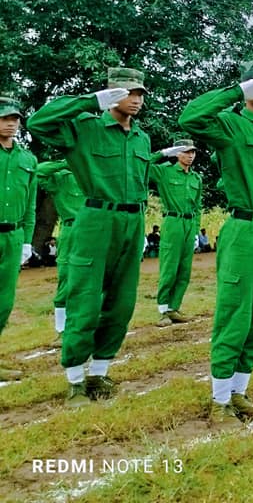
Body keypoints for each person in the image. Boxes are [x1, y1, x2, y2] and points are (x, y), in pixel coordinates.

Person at [178, 58, 253, 425]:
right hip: (246, 230)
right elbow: (189, 118)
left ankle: (239, 393)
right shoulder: (230, 125)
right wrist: (236, 92)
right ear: (249, 89)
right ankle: (219, 401)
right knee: (236, 315)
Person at [28, 67, 152, 405]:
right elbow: (37, 122)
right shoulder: (84, 127)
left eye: (140, 94)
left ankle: (99, 373)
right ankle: (75, 381)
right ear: (112, 95)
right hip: (96, 218)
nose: (137, 100)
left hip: (132, 220)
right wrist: (88, 101)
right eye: (129, 93)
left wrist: (139, 226)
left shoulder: (141, 138)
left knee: (121, 303)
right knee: (85, 298)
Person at [0, 95, 37, 381]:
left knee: (5, 301)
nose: (11, 124)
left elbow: (31, 204)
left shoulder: (28, 159)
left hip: (13, 236)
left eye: (15, 119)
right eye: (4, 119)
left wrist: (26, 240)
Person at [151, 138, 202, 326]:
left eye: (192, 152)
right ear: (177, 154)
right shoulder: (164, 171)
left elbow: (197, 206)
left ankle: (174, 308)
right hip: (172, 222)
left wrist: (196, 230)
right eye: (186, 152)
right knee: (169, 268)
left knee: (184, 270)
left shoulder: (196, 178)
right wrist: (164, 153)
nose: (190, 156)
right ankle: (163, 310)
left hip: (189, 224)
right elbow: (142, 164)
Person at [36, 159, 85, 340]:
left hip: (97, 230)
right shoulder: (61, 177)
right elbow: (39, 171)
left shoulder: (96, 173)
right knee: (66, 277)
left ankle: (89, 326)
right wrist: (66, 163)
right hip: (71, 230)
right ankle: (62, 330)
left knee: (96, 278)